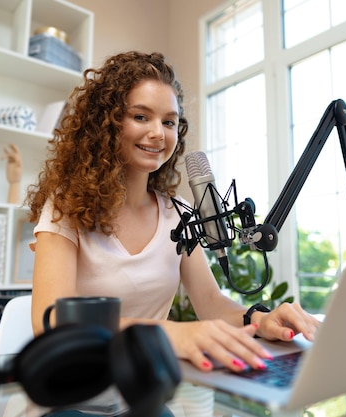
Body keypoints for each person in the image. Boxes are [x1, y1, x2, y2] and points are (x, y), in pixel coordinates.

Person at [25, 51, 319, 413]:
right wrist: (169, 333)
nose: (157, 133)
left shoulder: (177, 213)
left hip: (139, 395)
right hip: (70, 397)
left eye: (169, 122)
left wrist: (260, 319)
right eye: (140, 116)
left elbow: (211, 305)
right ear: (108, 123)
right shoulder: (66, 206)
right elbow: (50, 323)